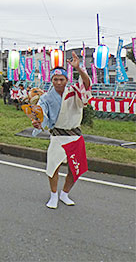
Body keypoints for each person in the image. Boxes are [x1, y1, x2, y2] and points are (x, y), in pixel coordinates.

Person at [32, 52, 91, 209]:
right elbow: (41, 112)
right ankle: (53, 195)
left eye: (61, 79)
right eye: (55, 79)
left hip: (74, 135)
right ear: (51, 80)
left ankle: (64, 193)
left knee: (74, 168)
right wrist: (38, 121)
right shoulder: (46, 97)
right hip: (58, 136)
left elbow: (86, 84)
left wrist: (78, 68)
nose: (58, 82)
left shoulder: (74, 92)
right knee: (54, 167)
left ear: (67, 80)